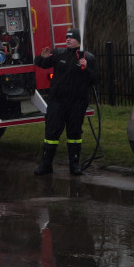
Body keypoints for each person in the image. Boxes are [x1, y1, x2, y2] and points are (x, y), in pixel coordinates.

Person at [33, 27, 96, 176]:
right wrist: (43, 57)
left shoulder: (88, 58)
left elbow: (95, 80)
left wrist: (86, 68)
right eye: (67, 37)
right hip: (57, 102)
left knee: (74, 134)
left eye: (72, 38)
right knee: (51, 134)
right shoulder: (58, 53)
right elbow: (39, 63)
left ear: (79, 41)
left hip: (77, 103)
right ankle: (46, 165)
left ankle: (74, 165)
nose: (68, 39)